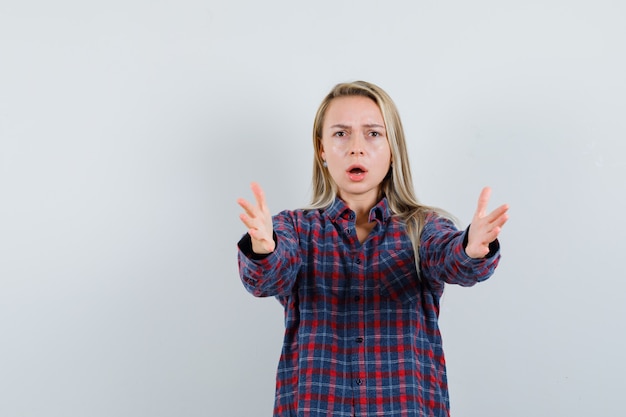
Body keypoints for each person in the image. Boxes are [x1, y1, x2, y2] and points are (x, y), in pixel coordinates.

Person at [236, 81, 509, 417]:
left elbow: (453, 260)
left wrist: (471, 248)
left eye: (373, 134)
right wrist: (263, 249)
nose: (356, 148)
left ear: (393, 148)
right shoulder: (294, 229)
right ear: (321, 148)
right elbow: (267, 278)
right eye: (340, 134)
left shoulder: (423, 228)